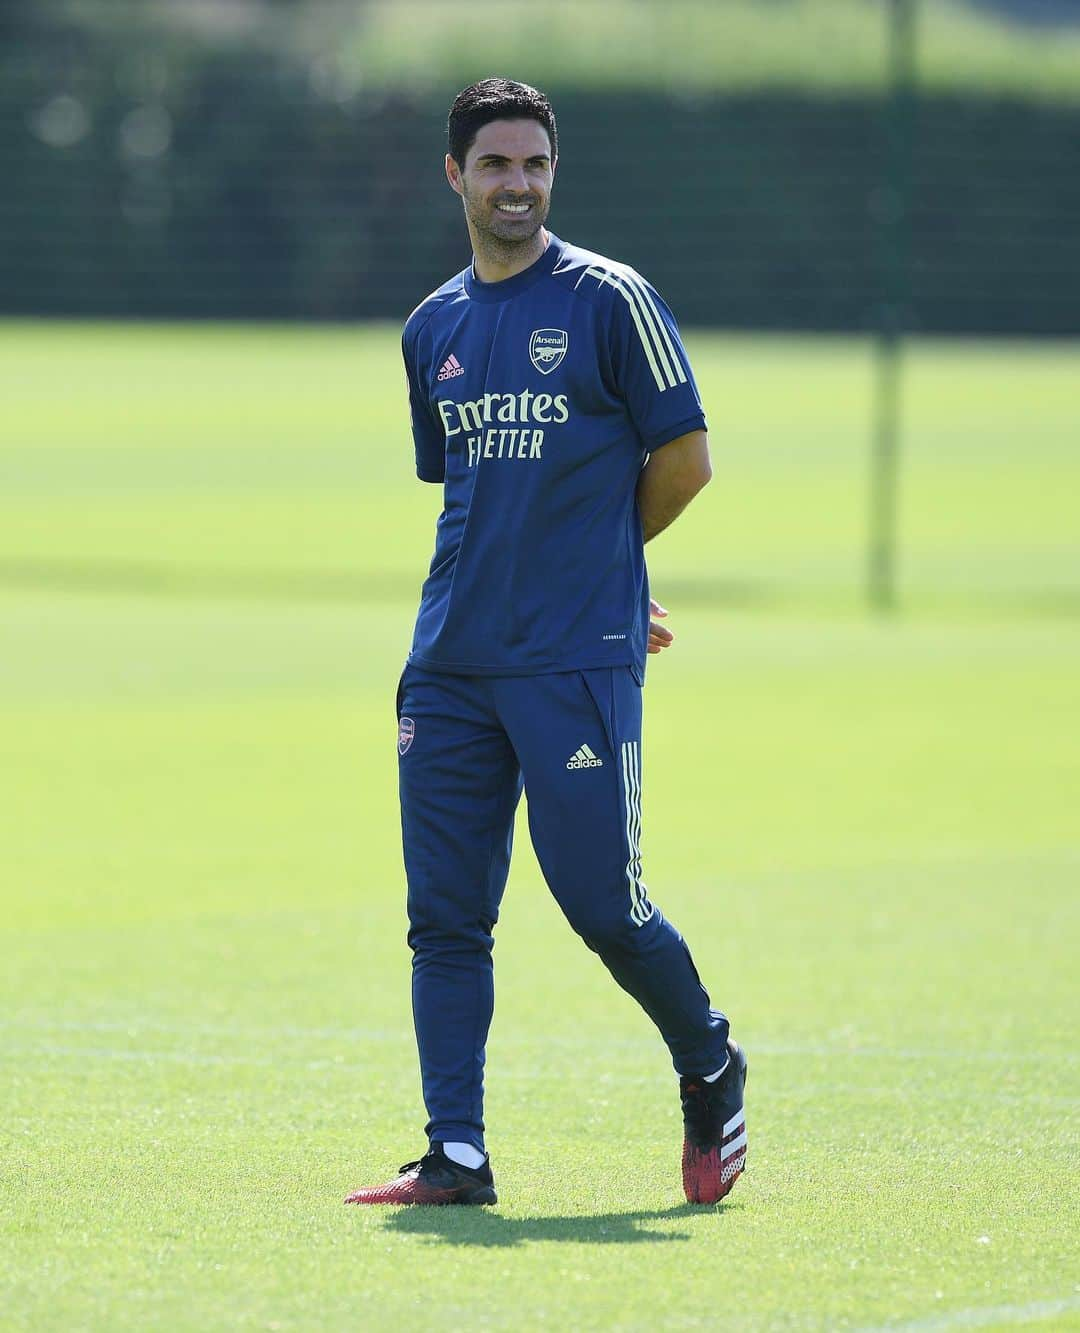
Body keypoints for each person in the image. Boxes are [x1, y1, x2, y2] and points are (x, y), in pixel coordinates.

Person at [346, 78, 746, 1208]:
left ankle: (710, 1060)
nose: (517, 185)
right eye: (495, 166)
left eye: (535, 166)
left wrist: (610, 571)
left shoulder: (614, 300)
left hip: (573, 656)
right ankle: (455, 1154)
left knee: (600, 902)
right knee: (445, 917)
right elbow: (469, 489)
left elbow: (686, 461)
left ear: (553, 174)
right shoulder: (434, 328)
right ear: (456, 177)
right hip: (450, 662)